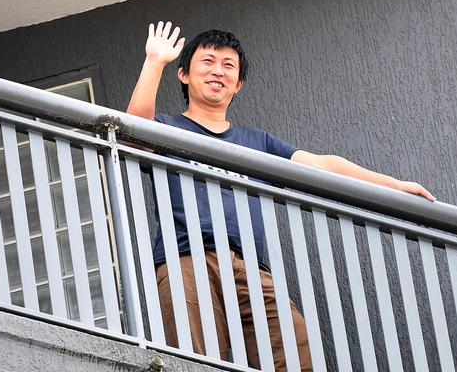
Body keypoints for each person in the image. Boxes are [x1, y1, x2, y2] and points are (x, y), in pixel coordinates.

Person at [126, 22, 435, 371]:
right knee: (200, 357)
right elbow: (135, 135)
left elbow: (319, 163)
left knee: (293, 345)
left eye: (229, 65)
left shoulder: (257, 141)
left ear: (238, 84)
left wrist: (393, 184)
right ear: (183, 74)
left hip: (249, 265)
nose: (218, 71)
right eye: (208, 61)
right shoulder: (169, 127)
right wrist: (154, 62)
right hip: (186, 258)